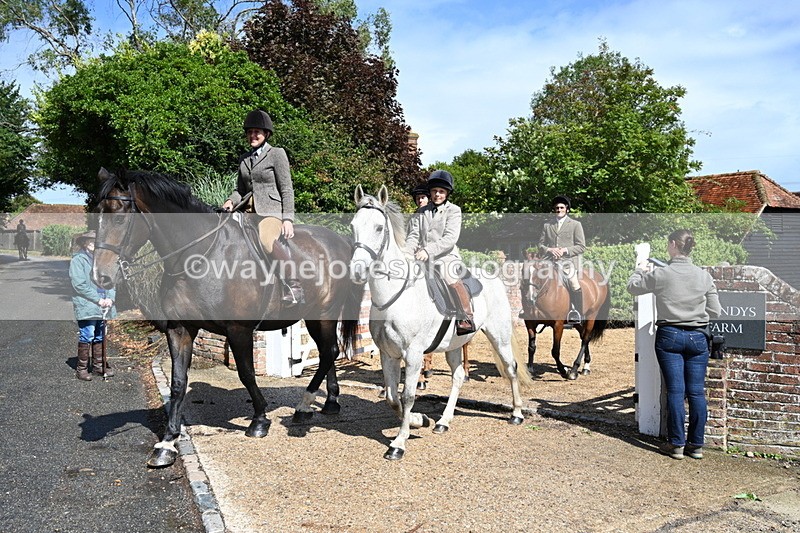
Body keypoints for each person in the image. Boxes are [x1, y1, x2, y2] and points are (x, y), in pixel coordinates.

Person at [627, 229, 721, 460]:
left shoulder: (662, 274)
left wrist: (638, 270)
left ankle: (676, 444)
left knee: (676, 391)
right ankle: (696, 445)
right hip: (698, 337)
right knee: (697, 392)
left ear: (673, 245)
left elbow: (633, 287)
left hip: (670, 335)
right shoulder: (704, 276)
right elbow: (716, 311)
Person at [222, 109, 303, 306]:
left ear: (266, 134)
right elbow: (239, 190)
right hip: (246, 212)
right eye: (250, 132)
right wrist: (231, 201)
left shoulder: (276, 154)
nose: (252, 136)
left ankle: (294, 286)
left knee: (267, 241)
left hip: (271, 212)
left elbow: (286, 189)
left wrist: (287, 219)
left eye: (257, 132)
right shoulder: (244, 159)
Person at [405, 170, 475, 335]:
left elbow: (450, 238)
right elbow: (413, 236)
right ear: (430, 192)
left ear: (447, 193)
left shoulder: (454, 210)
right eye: (435, 191)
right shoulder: (421, 212)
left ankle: (466, 317)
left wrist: (428, 251)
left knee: (448, 275)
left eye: (441, 191)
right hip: (421, 256)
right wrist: (407, 253)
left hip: (446, 256)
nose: (437, 194)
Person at [69, 231, 117, 381]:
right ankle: (81, 369)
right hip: (87, 304)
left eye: (96, 241)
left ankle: (98, 367)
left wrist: (110, 298)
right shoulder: (78, 260)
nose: (94, 244)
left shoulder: (103, 260)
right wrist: (98, 299)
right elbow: (79, 285)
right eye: (91, 241)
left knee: (100, 334)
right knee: (88, 334)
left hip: (104, 304)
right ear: (84, 243)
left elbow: (111, 282)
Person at [538, 195, 586, 324]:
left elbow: (581, 246)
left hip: (568, 262)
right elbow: (540, 245)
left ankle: (577, 313)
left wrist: (564, 250)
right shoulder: (547, 225)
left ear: (567, 209)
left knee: (573, 282)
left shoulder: (576, 225)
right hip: (549, 261)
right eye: (556, 208)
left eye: (561, 207)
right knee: (534, 278)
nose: (559, 210)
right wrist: (549, 250)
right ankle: (532, 310)